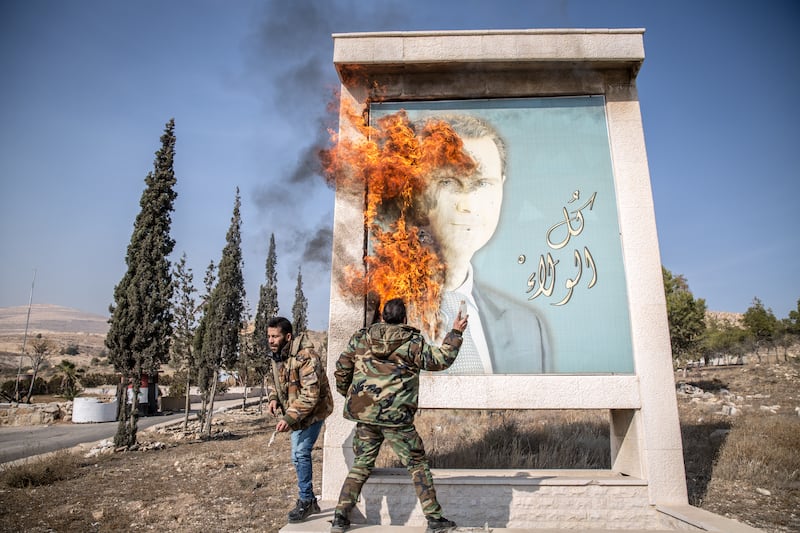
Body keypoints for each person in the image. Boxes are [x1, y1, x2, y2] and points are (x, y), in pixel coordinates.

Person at [412, 113, 550, 374]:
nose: (467, 206)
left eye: (483, 183)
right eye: (448, 182)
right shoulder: (385, 312)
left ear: (502, 187)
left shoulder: (527, 327)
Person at [330, 298, 469, 533]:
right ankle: (435, 519)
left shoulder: (361, 338)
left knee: (361, 465)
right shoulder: (413, 342)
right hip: (397, 419)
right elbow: (441, 359)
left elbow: (342, 369)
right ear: (404, 318)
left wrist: (352, 396)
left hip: (366, 416)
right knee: (417, 464)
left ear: (383, 317)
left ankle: (340, 518)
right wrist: (455, 332)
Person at [265, 316, 333, 523]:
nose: (270, 340)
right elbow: (273, 380)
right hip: (297, 412)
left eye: (275, 336)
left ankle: (305, 500)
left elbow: (311, 395)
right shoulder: (278, 356)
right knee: (296, 455)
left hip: (314, 412)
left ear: (287, 336)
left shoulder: (307, 357)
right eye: (268, 336)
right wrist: (274, 398)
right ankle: (310, 499)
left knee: (301, 452)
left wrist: (289, 417)